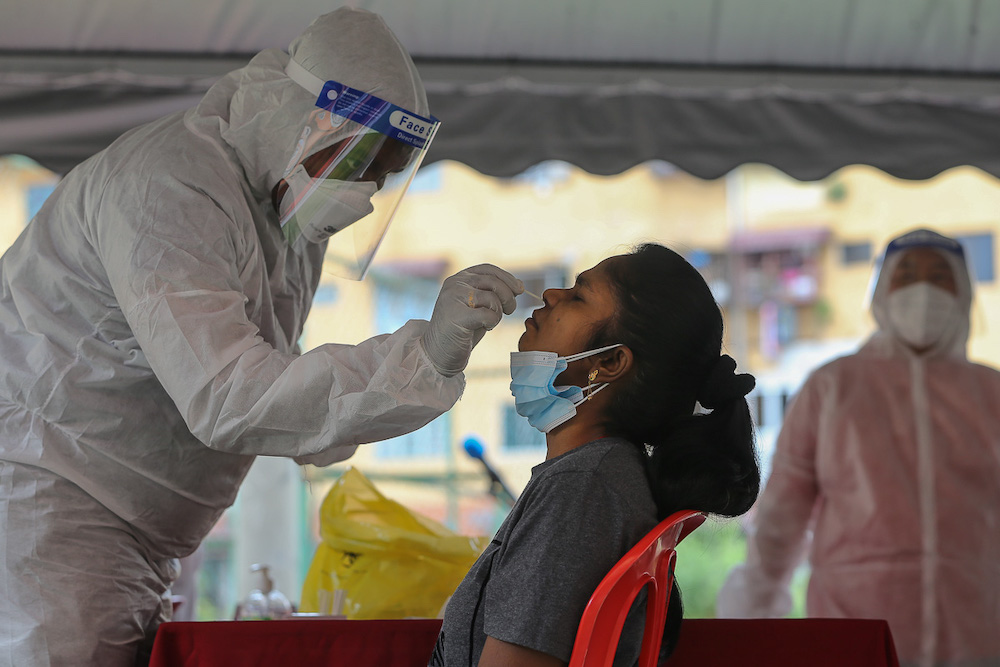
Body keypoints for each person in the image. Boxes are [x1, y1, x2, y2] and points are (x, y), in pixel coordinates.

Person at [0, 8, 522, 666]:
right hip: (49, 512)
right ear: (298, 114)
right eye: (358, 163)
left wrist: (407, 374)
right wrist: (423, 355)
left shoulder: (281, 217)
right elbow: (229, 394)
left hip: (132, 531)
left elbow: (281, 391)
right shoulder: (168, 184)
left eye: (381, 176)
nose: (362, 193)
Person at [428, 243, 760, 667]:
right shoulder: (595, 475)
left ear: (608, 362)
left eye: (578, 296)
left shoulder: (582, 487)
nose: (550, 296)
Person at [716, 229, 1000, 667]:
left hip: (977, 627)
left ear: (963, 291)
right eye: (906, 275)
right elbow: (782, 514)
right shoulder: (832, 387)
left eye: (939, 276)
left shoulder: (991, 393)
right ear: (883, 289)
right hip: (853, 624)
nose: (922, 290)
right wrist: (752, 613)